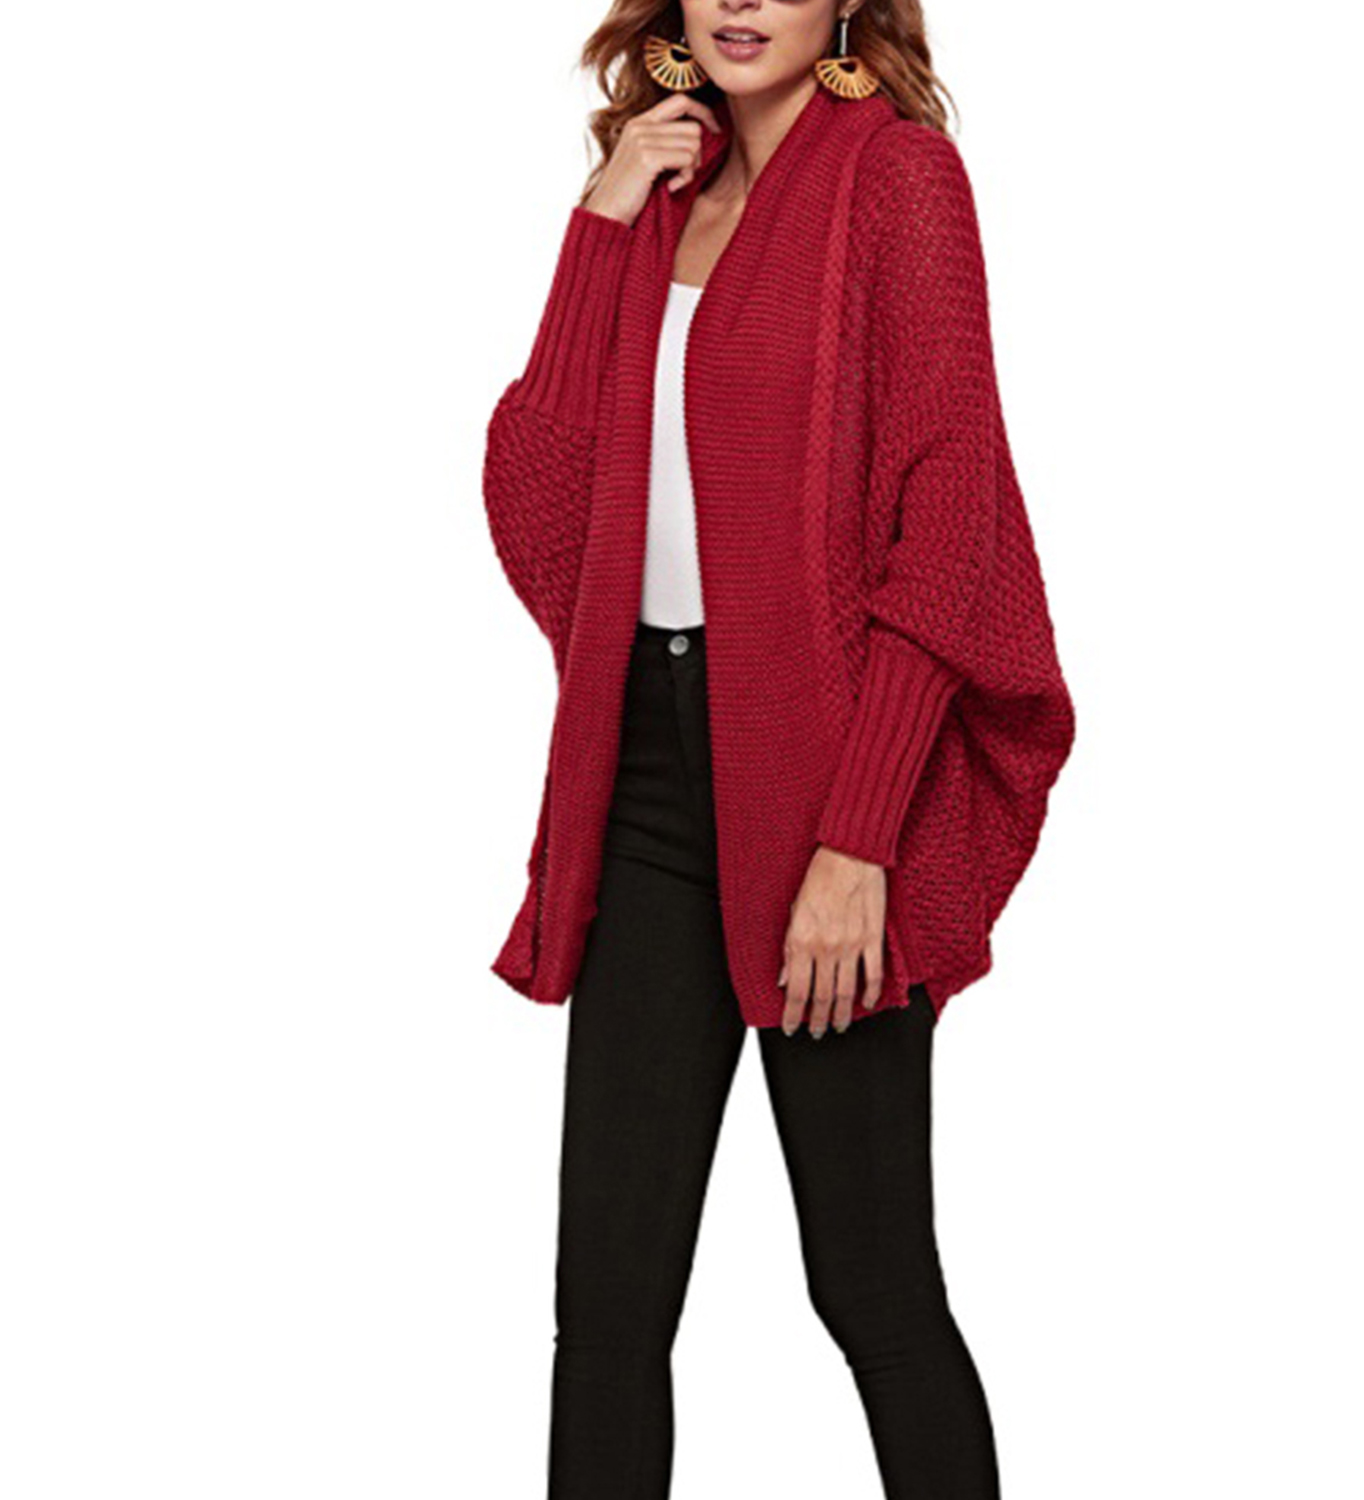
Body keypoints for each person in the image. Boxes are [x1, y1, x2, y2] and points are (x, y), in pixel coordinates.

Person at [480, 3, 1075, 1495]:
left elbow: (952, 520)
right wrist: (597, 222)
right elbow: (539, 502)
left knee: (872, 1290)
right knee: (605, 1306)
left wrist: (858, 838)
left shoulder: (897, 181)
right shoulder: (657, 195)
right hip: (645, 779)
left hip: (829, 778)